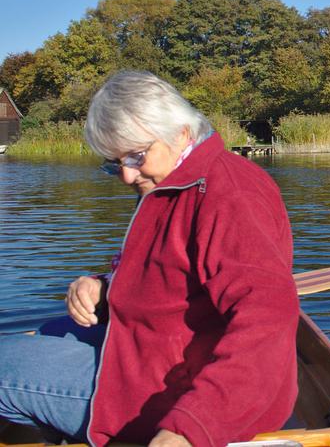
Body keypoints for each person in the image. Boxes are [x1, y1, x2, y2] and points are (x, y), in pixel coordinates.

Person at [0, 70, 300, 447]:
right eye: (114, 163)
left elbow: (268, 317)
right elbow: (168, 273)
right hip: (152, 349)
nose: (126, 175)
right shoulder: (174, 180)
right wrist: (103, 287)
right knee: (49, 331)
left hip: (178, 391)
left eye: (136, 156)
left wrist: (190, 428)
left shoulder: (228, 195)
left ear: (182, 133)